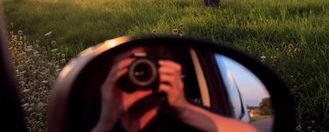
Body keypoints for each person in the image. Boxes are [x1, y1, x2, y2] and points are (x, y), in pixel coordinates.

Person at [91, 47, 258, 132]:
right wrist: (106, 121)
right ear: (110, 76)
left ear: (165, 72)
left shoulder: (187, 119)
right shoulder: (92, 117)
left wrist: (183, 108)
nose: (140, 75)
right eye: (129, 69)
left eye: (147, 68)